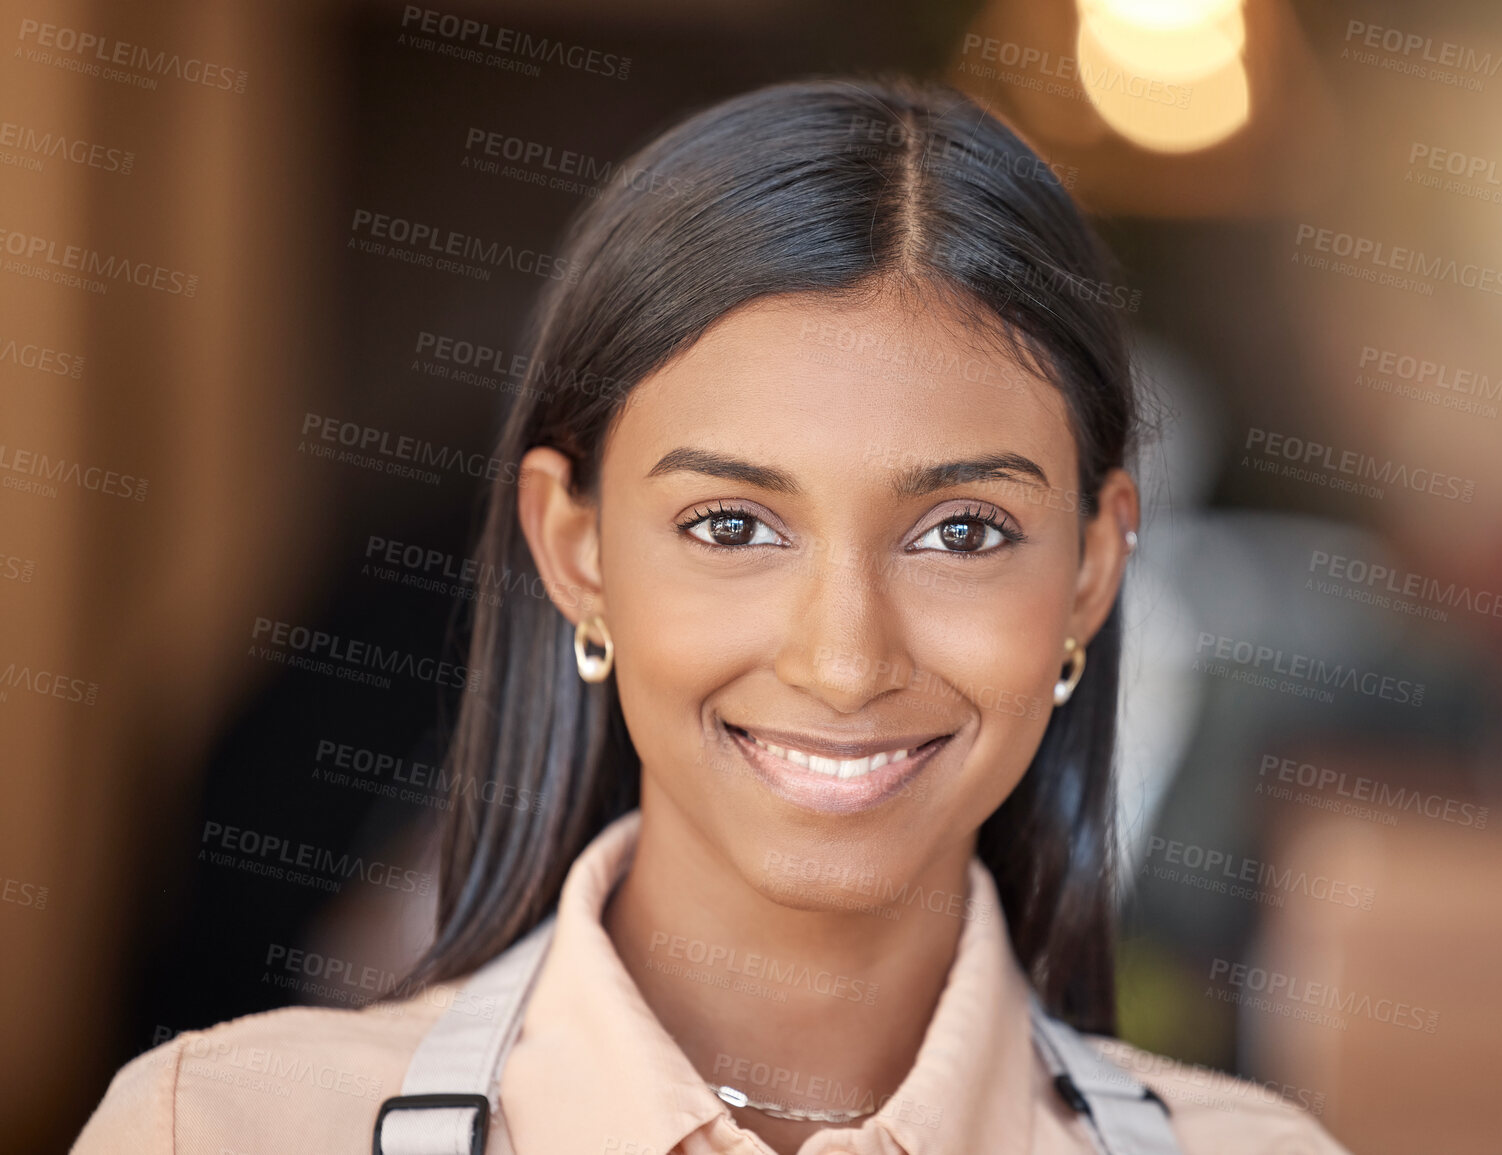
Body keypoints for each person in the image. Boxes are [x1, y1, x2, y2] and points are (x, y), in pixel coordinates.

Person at [73, 77, 1350, 1155]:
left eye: (961, 531)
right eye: (731, 526)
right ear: (575, 553)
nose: (844, 661)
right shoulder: (220, 1126)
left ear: (1089, 571)